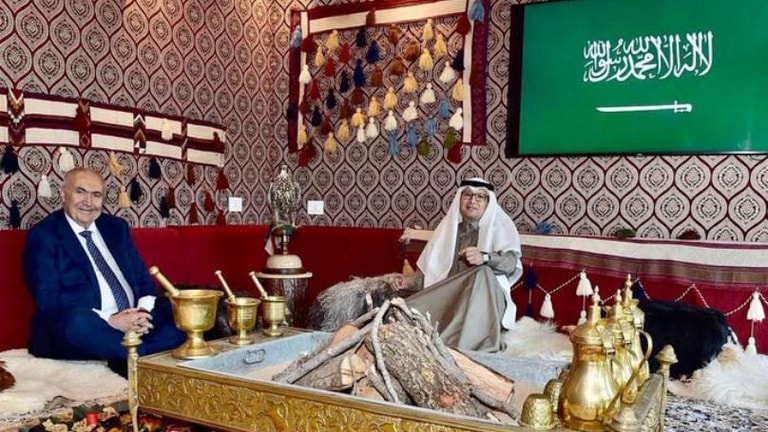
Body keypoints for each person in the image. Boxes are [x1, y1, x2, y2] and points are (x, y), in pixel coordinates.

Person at [23, 167, 184, 377]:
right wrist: (111, 320)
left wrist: (141, 314)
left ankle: (127, 352)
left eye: (96, 195)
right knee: (76, 323)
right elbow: (48, 300)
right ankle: (142, 354)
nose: (88, 202)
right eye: (80, 192)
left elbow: (144, 281)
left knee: (179, 310)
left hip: (134, 317)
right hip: (88, 323)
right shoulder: (44, 235)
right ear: (63, 193)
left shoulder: (116, 228)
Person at [393, 177, 522, 352]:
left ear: (488, 202)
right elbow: (430, 276)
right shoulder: (447, 231)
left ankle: (466, 347)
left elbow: (510, 264)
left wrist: (485, 258)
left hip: (487, 302)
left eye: (480, 196)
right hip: (451, 298)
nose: (472, 201)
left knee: (482, 273)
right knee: (398, 311)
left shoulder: (500, 228)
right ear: (460, 199)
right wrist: (407, 282)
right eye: (467, 195)